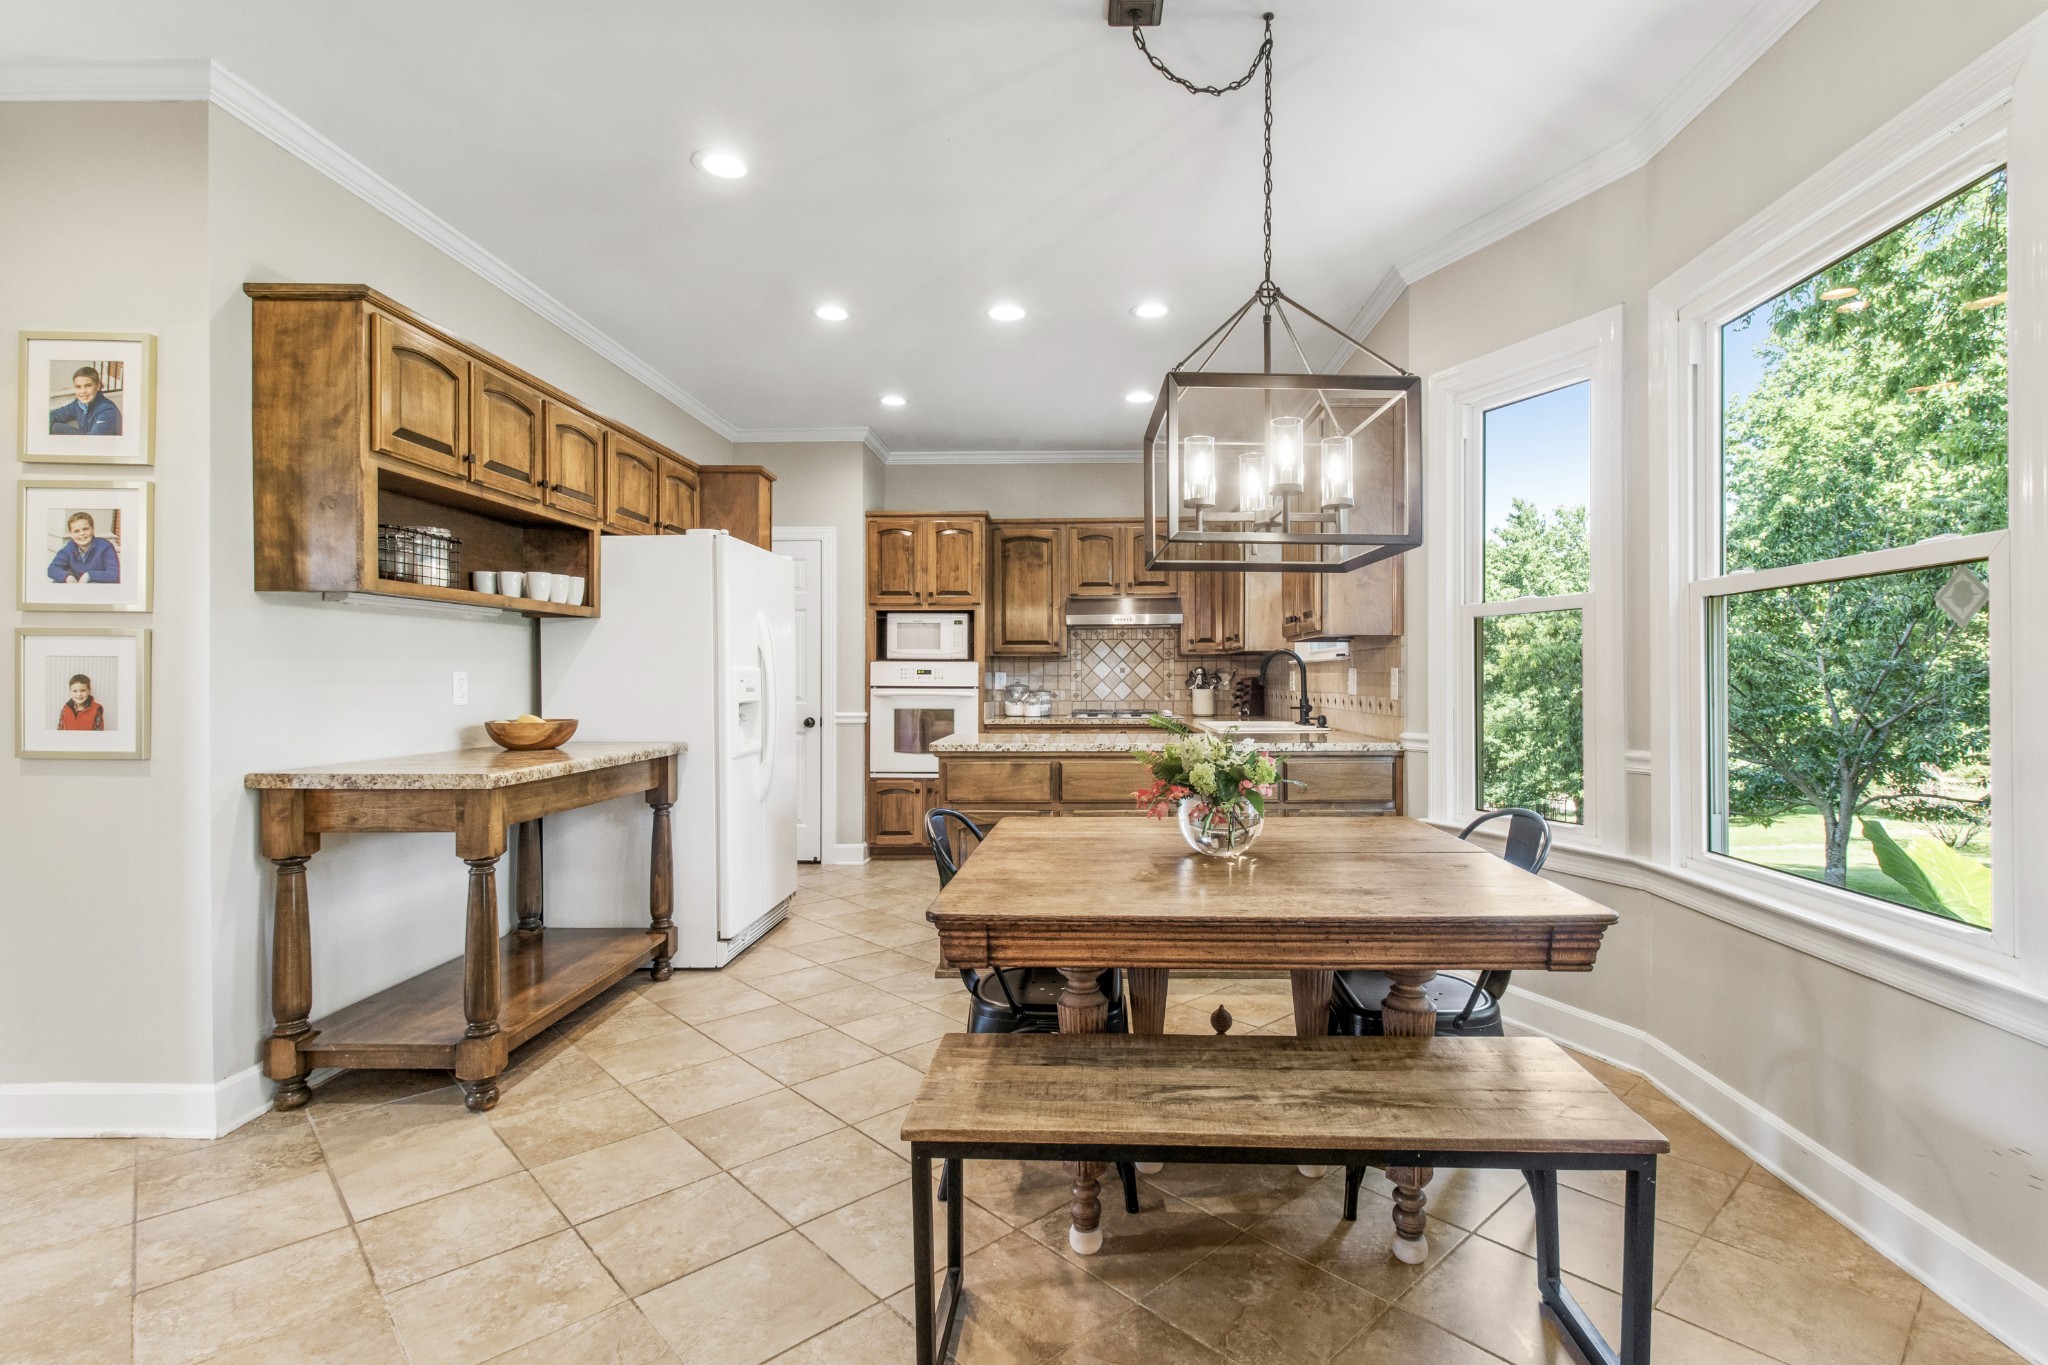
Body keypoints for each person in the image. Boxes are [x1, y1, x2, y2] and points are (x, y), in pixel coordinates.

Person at [46, 511, 120, 584]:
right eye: (76, 531)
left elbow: (115, 574)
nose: (81, 533)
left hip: (98, 587)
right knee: (57, 581)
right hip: (78, 584)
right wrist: (67, 577)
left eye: (85, 529)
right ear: (71, 534)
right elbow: (52, 568)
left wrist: (89, 575)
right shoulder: (70, 548)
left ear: (92, 529)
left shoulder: (105, 546)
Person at [47, 366, 122, 436]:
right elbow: (55, 415)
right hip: (86, 435)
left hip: (100, 444)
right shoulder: (78, 404)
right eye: (78, 387)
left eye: (88, 385)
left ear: (98, 386)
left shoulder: (107, 411)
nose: (83, 391)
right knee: (56, 427)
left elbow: (94, 442)